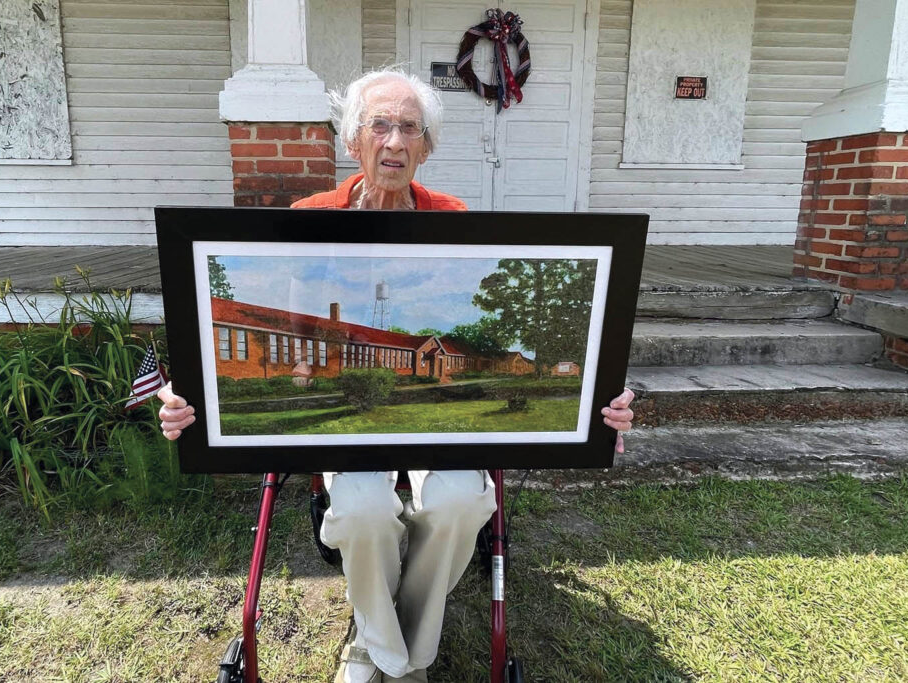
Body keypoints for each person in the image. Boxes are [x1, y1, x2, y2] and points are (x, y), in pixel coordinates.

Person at [157, 69, 635, 683]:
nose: (394, 141)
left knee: (463, 499)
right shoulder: (312, 216)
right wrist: (194, 400)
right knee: (360, 509)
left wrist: (601, 400)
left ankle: (407, 649)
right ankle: (383, 649)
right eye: (378, 125)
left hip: (440, 430)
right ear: (352, 140)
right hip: (347, 422)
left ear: (426, 147)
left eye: (410, 128)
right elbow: (300, 330)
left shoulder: (452, 218)